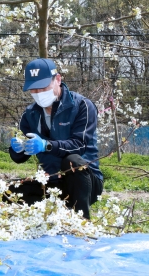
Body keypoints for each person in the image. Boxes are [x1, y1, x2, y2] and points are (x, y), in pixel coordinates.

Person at [8, 58, 103, 219]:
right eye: (33, 90)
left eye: (43, 87)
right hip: (52, 181)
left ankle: (81, 221)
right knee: (12, 192)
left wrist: (47, 145)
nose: (38, 94)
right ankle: (52, 215)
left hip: (84, 182)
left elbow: (79, 145)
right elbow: (19, 158)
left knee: (73, 161)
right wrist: (17, 149)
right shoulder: (30, 114)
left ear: (57, 79)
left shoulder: (82, 106)